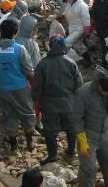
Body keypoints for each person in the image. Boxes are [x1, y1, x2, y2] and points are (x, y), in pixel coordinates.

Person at [0, 19, 37, 152]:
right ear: (15, 33)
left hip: (4, 89)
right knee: (27, 113)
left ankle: (14, 145)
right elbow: (29, 72)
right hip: (21, 88)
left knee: (9, 115)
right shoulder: (19, 49)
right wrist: (34, 88)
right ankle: (30, 141)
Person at [32, 35, 83, 164]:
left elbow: (37, 87)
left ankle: (52, 155)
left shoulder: (42, 65)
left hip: (49, 104)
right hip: (69, 102)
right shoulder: (71, 63)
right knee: (70, 128)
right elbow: (79, 85)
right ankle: (71, 150)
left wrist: (36, 103)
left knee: (50, 130)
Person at [62, 0, 92, 67]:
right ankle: (87, 60)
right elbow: (67, 12)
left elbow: (86, 19)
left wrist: (87, 31)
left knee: (66, 43)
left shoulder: (82, 6)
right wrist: (62, 16)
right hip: (72, 27)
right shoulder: (70, 3)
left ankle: (62, 61)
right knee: (78, 45)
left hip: (79, 29)